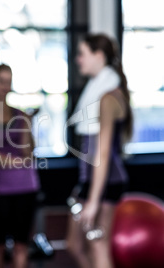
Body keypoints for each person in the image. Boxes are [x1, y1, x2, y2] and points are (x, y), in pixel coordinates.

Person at [66, 34, 133, 268]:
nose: (78, 60)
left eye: (82, 54)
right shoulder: (100, 92)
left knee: (98, 245)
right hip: (91, 180)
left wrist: (93, 201)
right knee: (73, 244)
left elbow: (102, 154)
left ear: (99, 56)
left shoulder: (108, 98)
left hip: (105, 183)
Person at [0, 64, 40, 268]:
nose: (5, 87)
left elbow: (28, 153)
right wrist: (14, 161)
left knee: (20, 247)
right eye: (1, 81)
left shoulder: (20, 115)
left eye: (9, 82)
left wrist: (28, 124)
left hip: (25, 187)